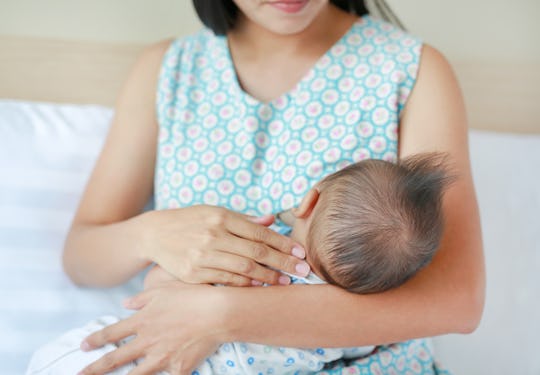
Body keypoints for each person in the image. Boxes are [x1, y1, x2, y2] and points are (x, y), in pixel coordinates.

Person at [30, 0, 485, 373]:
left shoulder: (411, 69)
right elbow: (81, 258)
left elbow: (457, 303)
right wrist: (151, 233)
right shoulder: (169, 69)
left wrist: (220, 316)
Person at [27, 153, 454, 375]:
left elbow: (155, 292)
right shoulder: (350, 332)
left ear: (311, 199)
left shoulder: (248, 254)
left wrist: (172, 271)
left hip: (134, 353)